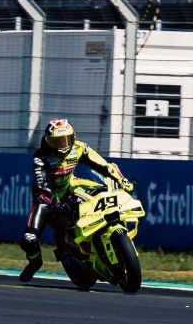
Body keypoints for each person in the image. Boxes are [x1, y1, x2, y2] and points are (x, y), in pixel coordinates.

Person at [21, 118, 134, 282]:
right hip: (47, 198)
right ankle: (34, 263)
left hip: (70, 186)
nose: (62, 145)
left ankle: (101, 235)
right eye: (57, 141)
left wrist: (121, 180)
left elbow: (104, 165)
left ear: (73, 137)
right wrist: (56, 204)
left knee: (101, 190)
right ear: (48, 141)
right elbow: (43, 186)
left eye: (66, 140)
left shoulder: (79, 148)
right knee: (29, 238)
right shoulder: (41, 158)